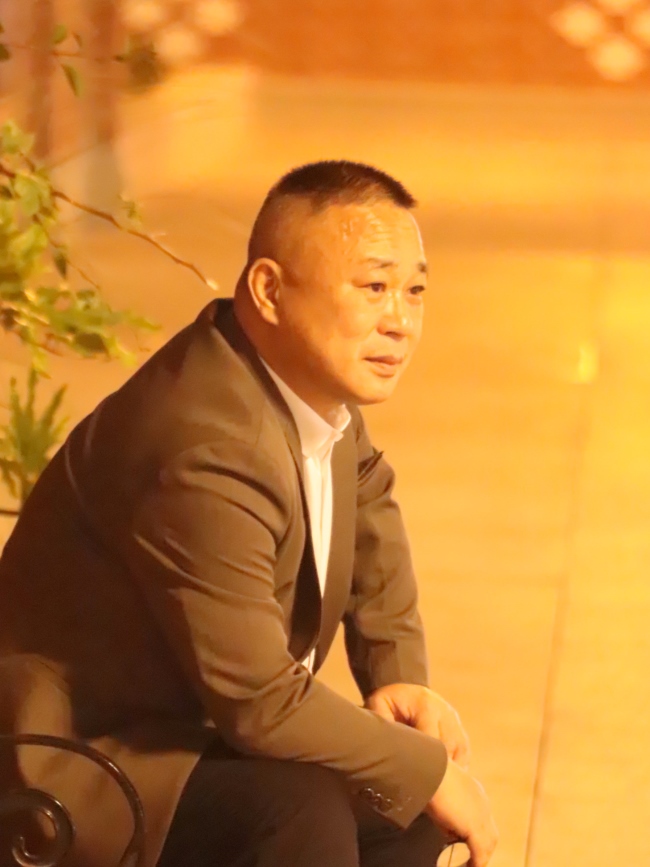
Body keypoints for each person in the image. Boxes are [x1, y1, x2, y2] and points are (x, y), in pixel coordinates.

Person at [0, 161, 498, 867]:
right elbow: (260, 701)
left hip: (188, 726)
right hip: (83, 756)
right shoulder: (203, 443)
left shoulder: (300, 384)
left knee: (401, 805)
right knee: (304, 809)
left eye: (414, 291)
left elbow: (369, 502)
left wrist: (398, 674)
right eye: (373, 288)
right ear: (268, 290)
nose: (400, 322)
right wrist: (431, 770)